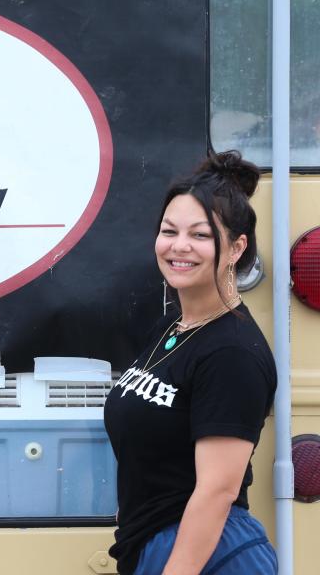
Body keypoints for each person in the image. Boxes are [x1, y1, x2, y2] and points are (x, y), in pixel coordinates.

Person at [104, 150, 278, 574]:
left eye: (200, 235)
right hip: (159, 543)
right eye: (169, 231)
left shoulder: (232, 352)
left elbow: (217, 491)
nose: (179, 246)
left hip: (206, 553)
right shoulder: (175, 326)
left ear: (237, 247)